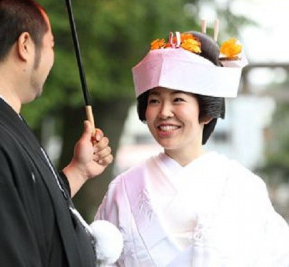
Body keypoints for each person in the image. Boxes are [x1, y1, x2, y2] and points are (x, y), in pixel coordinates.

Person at [95, 28, 289, 266]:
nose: (164, 112)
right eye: (154, 100)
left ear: (206, 112)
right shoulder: (124, 188)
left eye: (178, 99)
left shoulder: (243, 187)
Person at [0, 0, 114, 266]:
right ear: (25, 45)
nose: (52, 58)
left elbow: (30, 207)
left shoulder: (5, 121)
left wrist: (77, 171)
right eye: (51, 45)